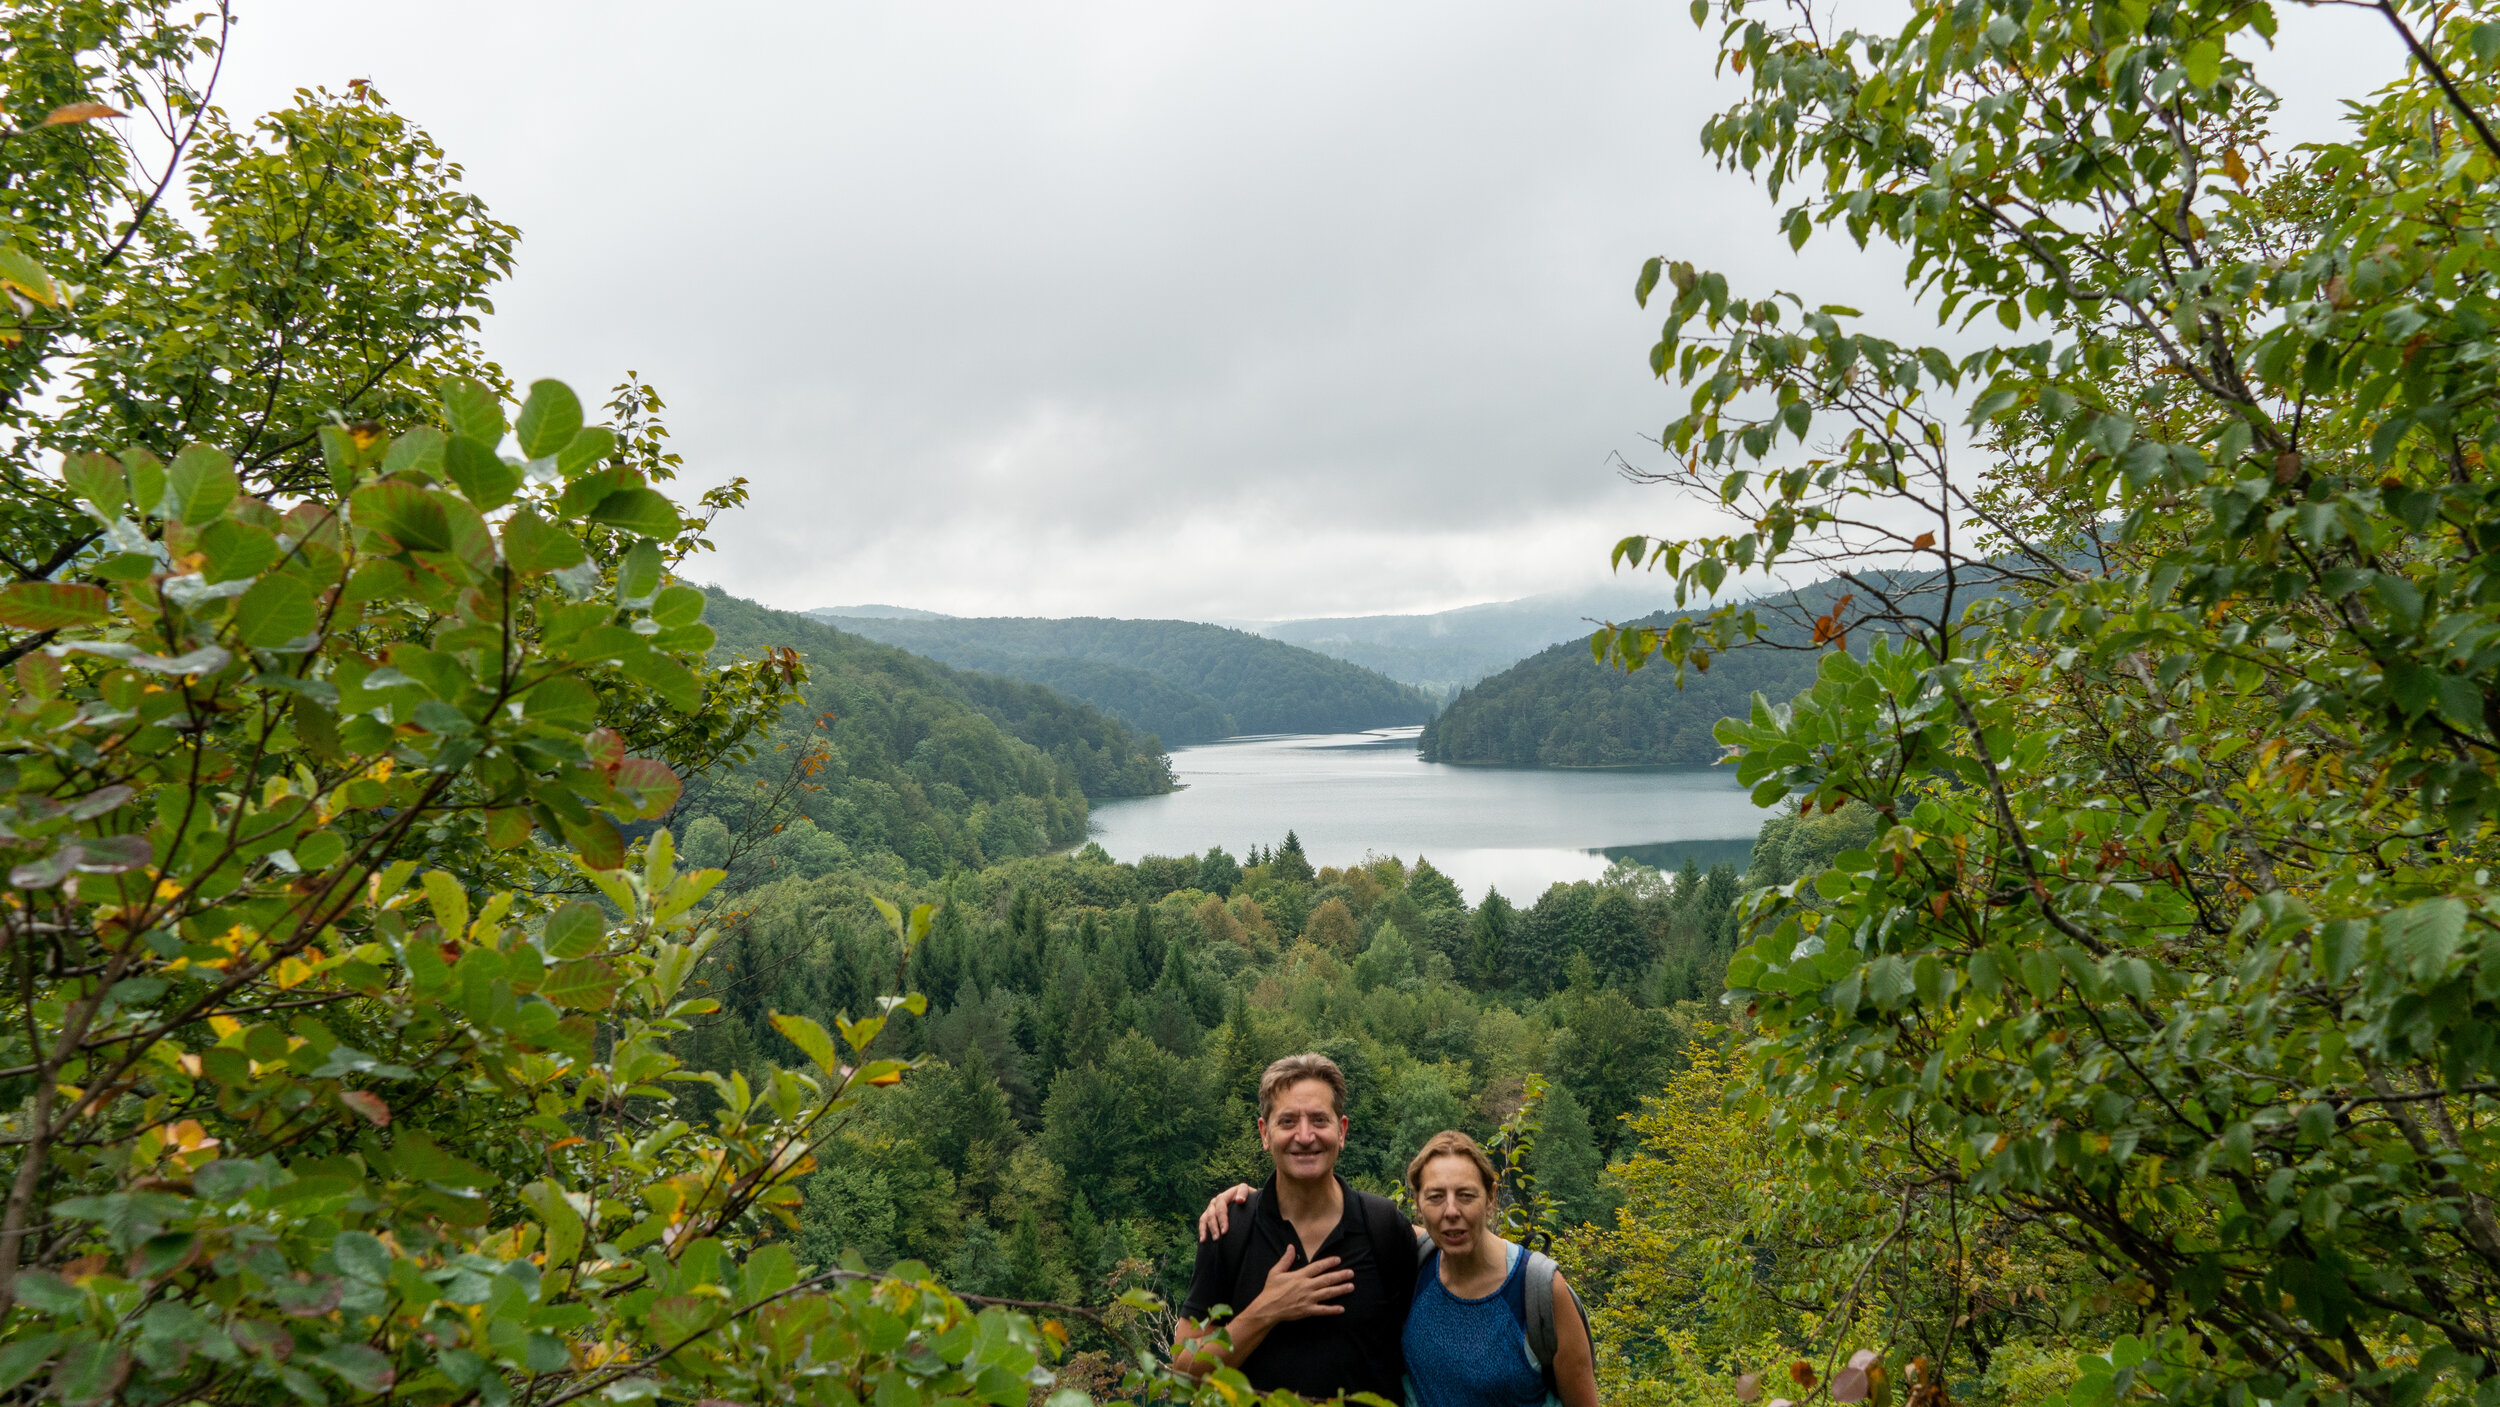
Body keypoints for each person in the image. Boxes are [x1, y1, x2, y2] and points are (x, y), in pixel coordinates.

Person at [1194, 1130, 1600, 1407]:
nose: (1451, 1212)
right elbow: (1316, 1207)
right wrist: (1249, 1200)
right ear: (1417, 1204)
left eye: (1466, 1195)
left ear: (1491, 1198)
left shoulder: (1538, 1289)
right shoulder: (1414, 1257)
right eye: (1435, 1197)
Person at [1172, 1053, 1421, 1401]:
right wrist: (1265, 1311)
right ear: (1265, 1133)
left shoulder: (1384, 1227)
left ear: (1342, 1130)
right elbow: (1183, 1377)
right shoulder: (1230, 1229)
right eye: (1288, 1121)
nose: (1305, 1136)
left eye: (1319, 1120)